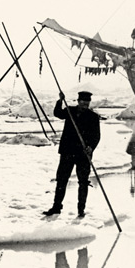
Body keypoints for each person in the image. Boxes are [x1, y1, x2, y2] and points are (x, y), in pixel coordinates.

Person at [43, 90, 101, 218]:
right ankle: (56, 207)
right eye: (83, 102)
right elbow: (57, 113)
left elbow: (96, 136)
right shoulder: (70, 111)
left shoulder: (93, 117)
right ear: (78, 101)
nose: (85, 105)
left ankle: (81, 209)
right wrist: (60, 101)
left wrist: (91, 147)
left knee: (83, 182)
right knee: (62, 180)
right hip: (67, 152)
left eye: (87, 103)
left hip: (83, 155)